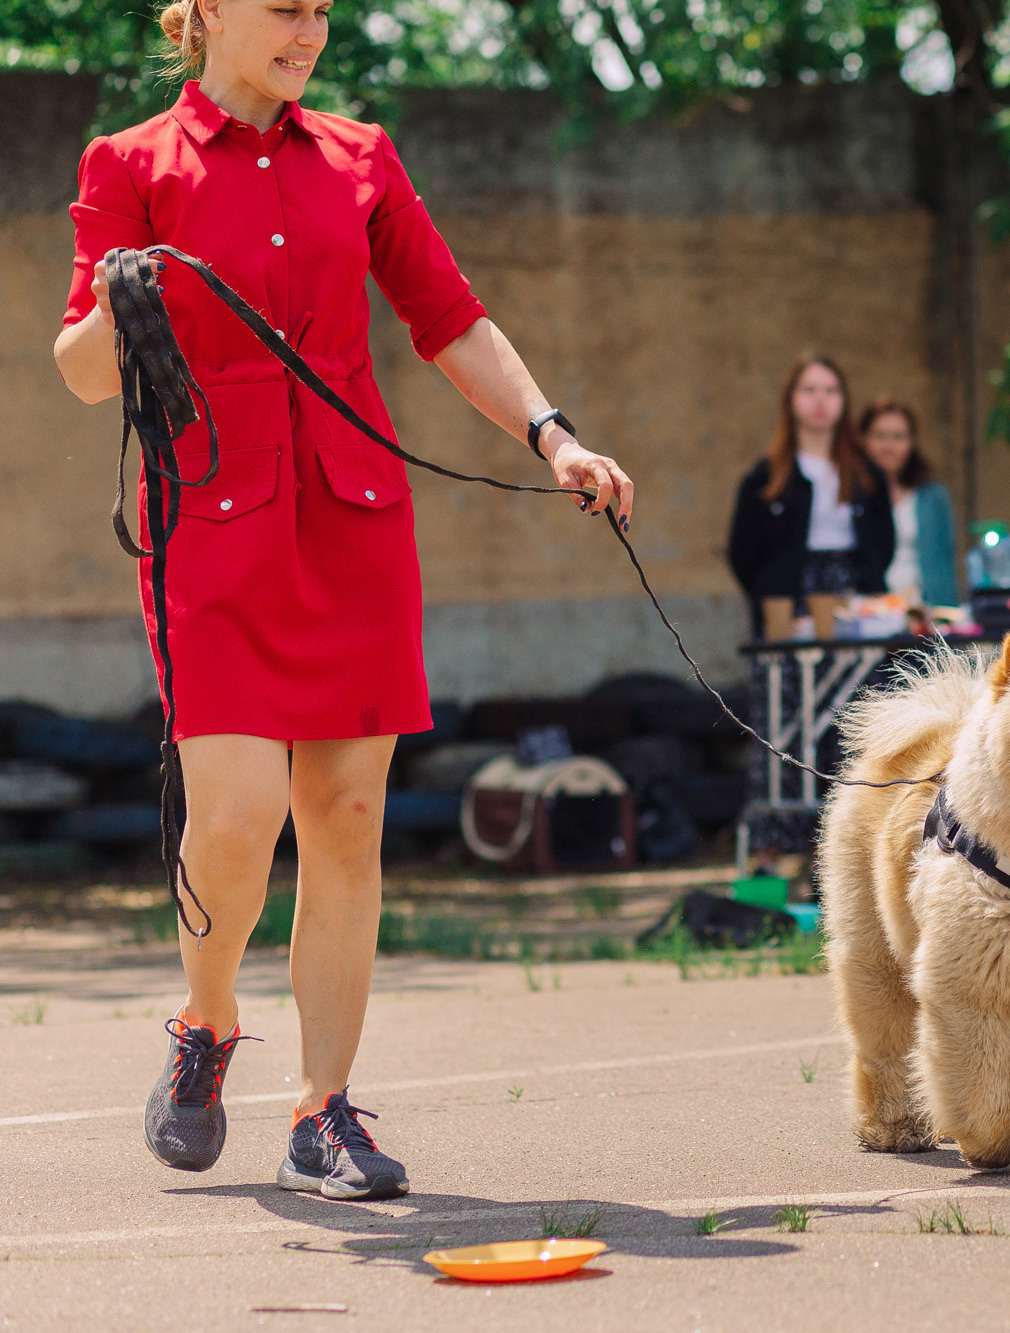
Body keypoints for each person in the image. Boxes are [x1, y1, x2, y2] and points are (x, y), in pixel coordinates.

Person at [51, 0, 634, 1201]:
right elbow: (76, 370)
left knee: (348, 809)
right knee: (236, 808)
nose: (308, 32)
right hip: (209, 525)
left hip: (353, 518)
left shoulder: (360, 156)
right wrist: (121, 294)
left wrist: (551, 435)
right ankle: (206, 1025)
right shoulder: (130, 163)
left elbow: (447, 314)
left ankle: (322, 1110)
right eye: (284, 9)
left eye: (321, 11)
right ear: (208, 11)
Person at [727, 356, 894, 641]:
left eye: (831, 391)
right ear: (790, 400)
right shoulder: (764, 478)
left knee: (860, 683)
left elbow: (884, 543)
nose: (820, 399)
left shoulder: (867, 475)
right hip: (789, 604)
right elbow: (742, 552)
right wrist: (771, 592)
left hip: (854, 599)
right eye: (809, 390)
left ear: (843, 401)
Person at [859, 396, 960, 607]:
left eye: (898, 437)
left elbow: (945, 562)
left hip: (922, 611)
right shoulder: (851, 495)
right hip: (867, 609)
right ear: (864, 439)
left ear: (912, 442)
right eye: (880, 436)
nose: (889, 446)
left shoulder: (933, 496)